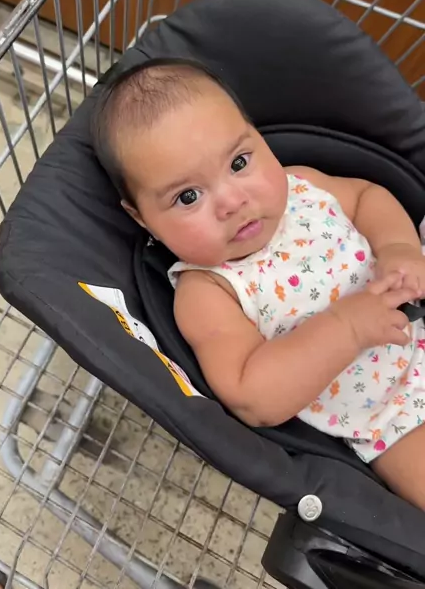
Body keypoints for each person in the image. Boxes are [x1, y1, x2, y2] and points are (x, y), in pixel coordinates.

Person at [92, 57, 425, 510]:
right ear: (142, 218)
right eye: (188, 196)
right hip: (390, 416)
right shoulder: (209, 291)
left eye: (239, 162)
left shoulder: (303, 186)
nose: (233, 200)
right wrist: (346, 329)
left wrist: (399, 248)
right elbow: (252, 395)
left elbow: (369, 198)